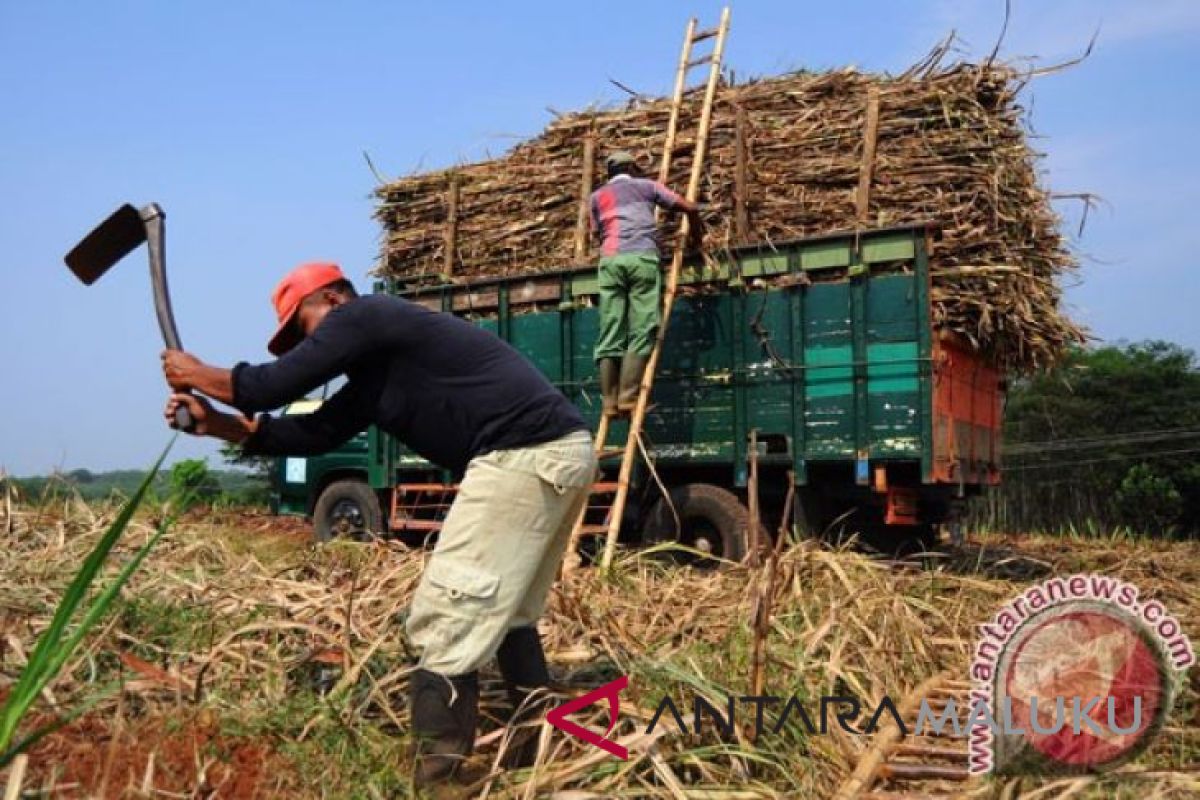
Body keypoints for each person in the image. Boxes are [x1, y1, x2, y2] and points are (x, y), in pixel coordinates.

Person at [160, 261, 597, 788]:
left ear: (332, 299)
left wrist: (197, 373)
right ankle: (537, 751)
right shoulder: (376, 373)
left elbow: (271, 386)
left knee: (444, 616)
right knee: (507, 616)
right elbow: (313, 432)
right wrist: (219, 425)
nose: (308, 347)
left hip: (521, 454)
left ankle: (439, 781)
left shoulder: (366, 314)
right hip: (556, 451)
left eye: (304, 328)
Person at [590, 150, 701, 416]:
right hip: (641, 258)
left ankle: (608, 402)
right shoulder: (646, 186)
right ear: (632, 167)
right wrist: (697, 234)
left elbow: (597, 233)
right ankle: (628, 397)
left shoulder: (596, 197)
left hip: (610, 262)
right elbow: (689, 206)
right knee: (642, 326)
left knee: (610, 329)